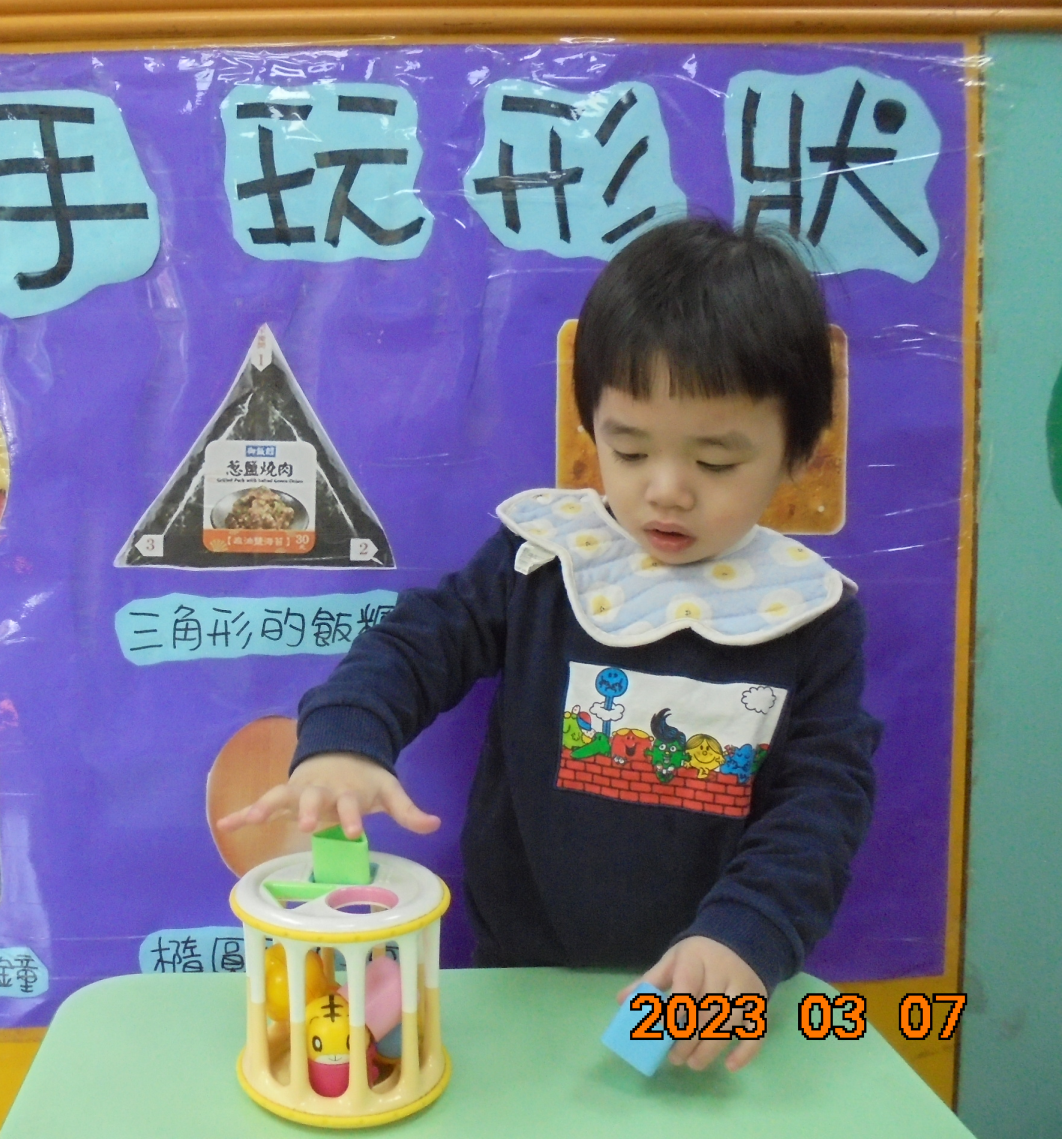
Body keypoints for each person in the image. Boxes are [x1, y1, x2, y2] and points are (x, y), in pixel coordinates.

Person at [218, 216, 880, 1074]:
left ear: (797, 453)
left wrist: (746, 936)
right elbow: (417, 642)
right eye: (628, 448)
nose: (665, 490)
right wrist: (345, 738)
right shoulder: (543, 563)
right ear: (590, 424)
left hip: (700, 989)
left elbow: (820, 806)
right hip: (522, 975)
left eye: (715, 463)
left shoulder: (807, 616)